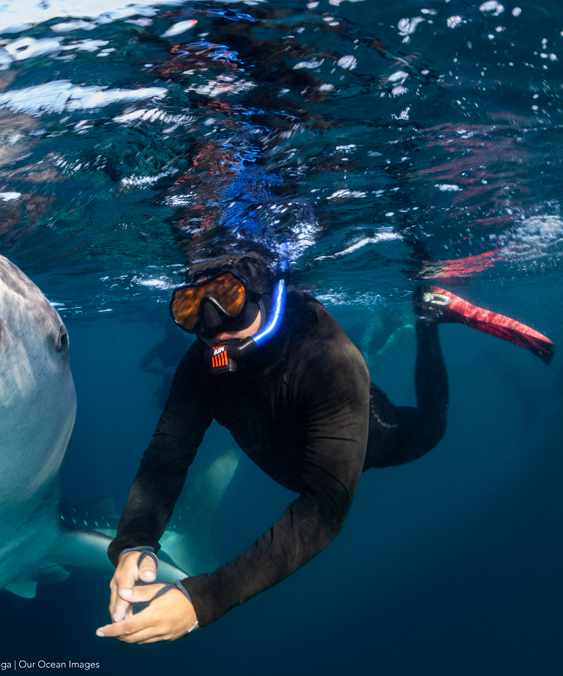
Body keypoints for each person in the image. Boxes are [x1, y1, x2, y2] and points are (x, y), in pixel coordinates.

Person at [96, 242, 554, 644]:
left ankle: (429, 313)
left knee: (431, 428)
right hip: (293, 444)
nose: (214, 325)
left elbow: (326, 506)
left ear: (259, 294)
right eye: (192, 307)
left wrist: (205, 601)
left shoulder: (327, 356)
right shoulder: (203, 365)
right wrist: (136, 539)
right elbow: (168, 451)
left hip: (366, 431)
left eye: (229, 298)